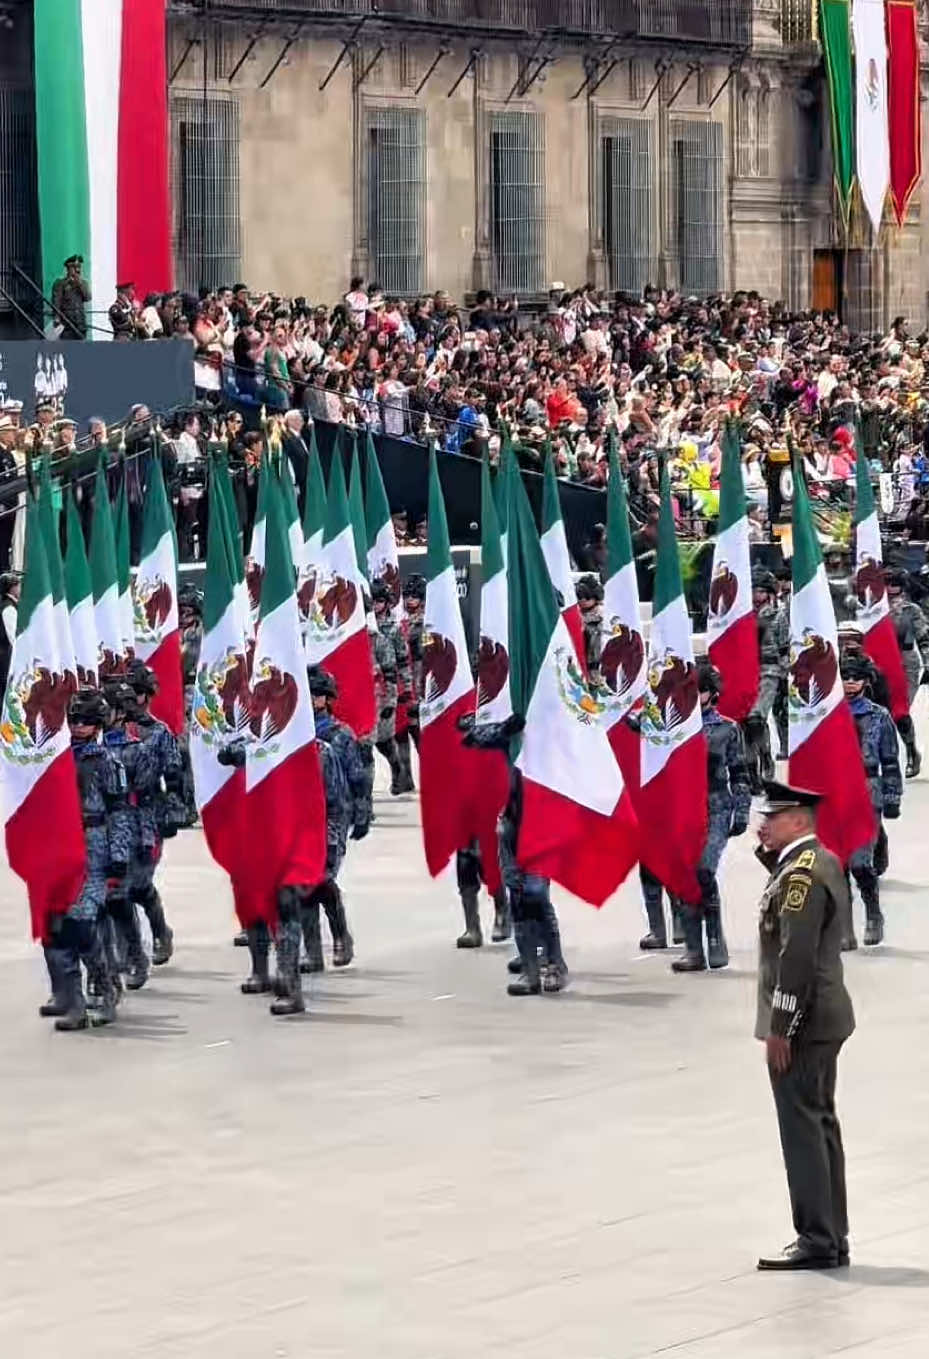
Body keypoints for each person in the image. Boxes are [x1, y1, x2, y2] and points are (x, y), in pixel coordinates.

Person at [754, 780, 855, 1271]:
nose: (762, 825)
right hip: (824, 1015)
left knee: (802, 1127)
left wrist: (780, 1027)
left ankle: (816, 1237)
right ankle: (832, 1233)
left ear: (797, 820)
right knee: (821, 1123)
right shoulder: (813, 863)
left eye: (771, 819)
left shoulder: (801, 876)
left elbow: (795, 955)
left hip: (805, 1021)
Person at [42, 689, 131, 1030]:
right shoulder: (57, 757)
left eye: (86, 721)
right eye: (74, 720)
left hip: (94, 846)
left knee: (82, 923)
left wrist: (119, 856)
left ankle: (103, 987)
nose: (78, 726)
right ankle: (74, 1002)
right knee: (59, 925)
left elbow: (120, 811)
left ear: (98, 725)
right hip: (59, 845)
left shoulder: (108, 761)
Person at [671, 658, 751, 972]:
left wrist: (741, 810)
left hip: (716, 806)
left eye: (700, 691)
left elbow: (740, 772)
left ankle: (715, 935)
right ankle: (693, 948)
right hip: (682, 809)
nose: (695, 696)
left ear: (711, 693)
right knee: (685, 876)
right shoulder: (673, 729)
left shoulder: (727, 730)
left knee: (703, 870)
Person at [302, 666, 372, 974]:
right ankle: (313, 951)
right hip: (302, 816)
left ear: (325, 700)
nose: (309, 699)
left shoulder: (340, 735)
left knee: (321, 877)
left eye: (315, 694)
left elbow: (358, 776)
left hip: (333, 815)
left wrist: (362, 813)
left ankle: (341, 934)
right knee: (301, 881)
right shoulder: (294, 734)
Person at [840, 656, 901, 948]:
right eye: (845, 676)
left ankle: (873, 913)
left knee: (860, 862)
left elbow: (890, 760)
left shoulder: (879, 716)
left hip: (867, 790)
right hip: (835, 791)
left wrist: (892, 796)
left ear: (866, 680)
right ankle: (843, 925)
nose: (850, 681)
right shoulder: (828, 716)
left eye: (855, 676)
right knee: (836, 864)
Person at [744, 568, 788, 792]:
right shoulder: (742, 615)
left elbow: (784, 647)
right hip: (746, 669)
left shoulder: (778, 615)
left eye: (761, 591)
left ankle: (766, 760)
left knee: (756, 717)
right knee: (745, 722)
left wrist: (785, 674)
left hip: (769, 669)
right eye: (753, 590)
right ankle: (751, 768)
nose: (757, 595)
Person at [885, 569, 928, 777]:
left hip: (905, 662)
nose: (890, 587)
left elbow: (924, 638)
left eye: (894, 583)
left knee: (900, 712)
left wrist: (928, 663)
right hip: (880, 662)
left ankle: (911, 751)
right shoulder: (872, 609)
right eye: (887, 583)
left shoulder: (911, 610)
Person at [371, 580, 411, 793]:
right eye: (373, 602)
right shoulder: (362, 627)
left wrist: (400, 694)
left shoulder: (393, 629)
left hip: (386, 689)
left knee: (385, 741)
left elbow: (403, 661)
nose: (376, 606)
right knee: (365, 745)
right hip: (365, 691)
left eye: (380, 602)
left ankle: (397, 769)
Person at [51, 254, 91, 339]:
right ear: (68, 269)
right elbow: (56, 302)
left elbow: (88, 297)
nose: (77, 270)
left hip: (80, 324)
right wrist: (56, 317)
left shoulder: (83, 283)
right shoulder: (60, 284)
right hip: (67, 325)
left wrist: (79, 284)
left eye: (79, 267)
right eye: (74, 267)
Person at [576, 573, 604, 684]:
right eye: (579, 596)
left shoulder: (602, 616)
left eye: (586, 596)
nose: (582, 600)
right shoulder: (576, 615)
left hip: (597, 668)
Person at [0, 569, 20, 693]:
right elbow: (13, 637)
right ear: (12, 588)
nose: (20, 588)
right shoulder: (8, 608)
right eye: (19, 585)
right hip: (6, 658)